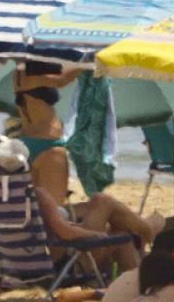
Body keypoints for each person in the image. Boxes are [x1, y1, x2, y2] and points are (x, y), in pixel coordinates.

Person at [13, 65, 158, 259]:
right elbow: (61, 80)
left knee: (107, 219)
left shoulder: (22, 70)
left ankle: (145, 233)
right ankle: (149, 230)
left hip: (30, 142)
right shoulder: (28, 71)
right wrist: (87, 62)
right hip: (48, 150)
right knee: (68, 205)